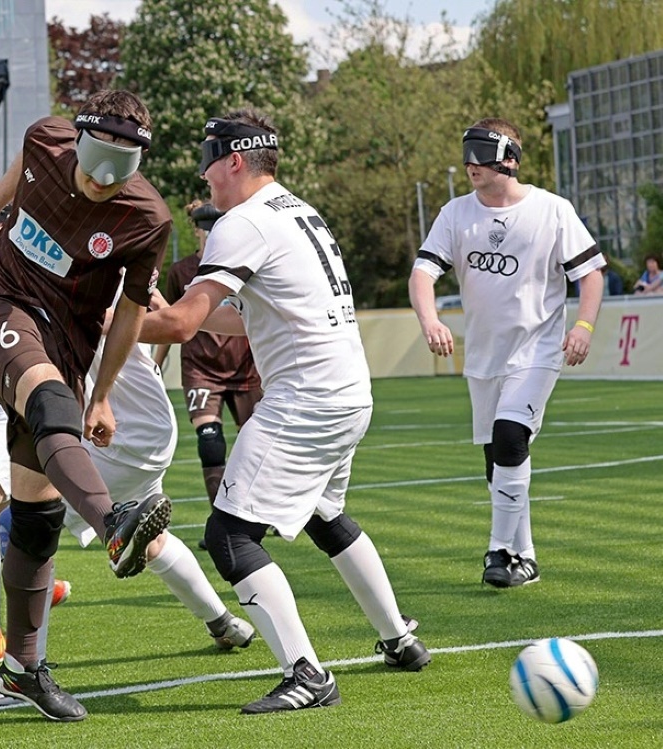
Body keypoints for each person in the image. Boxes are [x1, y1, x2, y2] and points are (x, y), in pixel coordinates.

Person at [139, 108, 430, 714]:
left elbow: (186, 322)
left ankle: (307, 674)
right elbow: (239, 319)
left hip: (307, 399)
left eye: (208, 165)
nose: (205, 180)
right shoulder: (297, 211)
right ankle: (399, 638)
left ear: (236, 160)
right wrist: (162, 308)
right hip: (349, 391)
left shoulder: (240, 222)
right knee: (326, 516)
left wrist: (104, 321)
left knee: (227, 536)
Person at [0, 201, 252, 678]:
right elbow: (164, 318)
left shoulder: (48, 278)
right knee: (152, 538)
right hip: (145, 425)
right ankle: (221, 621)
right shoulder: (112, 265)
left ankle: (21, 665)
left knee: (29, 521)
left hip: (110, 428)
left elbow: (43, 356)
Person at [0, 90, 174, 721]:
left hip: (69, 345)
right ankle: (114, 525)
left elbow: (127, 312)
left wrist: (101, 394)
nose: (102, 180)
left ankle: (21, 671)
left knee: (38, 526)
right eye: (95, 159)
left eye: (120, 167)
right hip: (2, 307)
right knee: (47, 402)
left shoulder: (147, 218)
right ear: (78, 140)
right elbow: (23, 165)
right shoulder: (46, 138)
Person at [409, 118, 605, 589]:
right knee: (497, 457)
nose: (470, 163)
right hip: (484, 357)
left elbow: (591, 274)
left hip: (537, 349)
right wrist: (430, 320)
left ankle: (497, 551)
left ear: (510, 159)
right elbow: (422, 273)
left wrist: (583, 325)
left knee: (511, 435)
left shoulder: (552, 210)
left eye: (481, 152)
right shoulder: (455, 214)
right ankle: (526, 556)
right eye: (466, 152)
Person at [155, 199, 262, 549]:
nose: (212, 236)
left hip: (246, 368)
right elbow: (170, 318)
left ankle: (254, 513)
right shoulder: (181, 272)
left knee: (256, 443)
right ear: (197, 233)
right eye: (206, 230)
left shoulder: (246, 267)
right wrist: (156, 362)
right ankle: (221, 519)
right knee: (210, 441)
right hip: (202, 369)